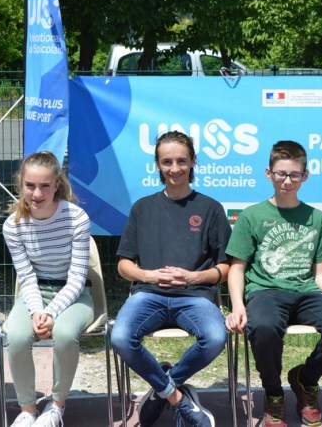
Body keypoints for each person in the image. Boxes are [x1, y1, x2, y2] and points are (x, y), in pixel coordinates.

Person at [224, 140, 322, 427]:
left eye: (294, 175)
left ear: (305, 176)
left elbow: (321, 274)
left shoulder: (316, 218)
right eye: (281, 174)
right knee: (263, 327)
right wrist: (237, 305)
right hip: (265, 292)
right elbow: (237, 268)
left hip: (306, 293)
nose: (287, 181)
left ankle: (305, 379)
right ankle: (274, 395)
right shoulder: (252, 215)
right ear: (269, 174)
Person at [110, 130, 232, 427]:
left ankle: (163, 386)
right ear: (157, 164)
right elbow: (123, 265)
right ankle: (178, 399)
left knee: (216, 337)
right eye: (167, 162)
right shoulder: (142, 207)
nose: (174, 168)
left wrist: (194, 277)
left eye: (181, 161)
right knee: (120, 337)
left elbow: (226, 267)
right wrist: (147, 274)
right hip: (147, 295)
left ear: (193, 162)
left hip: (196, 297)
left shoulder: (211, 208)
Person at [3, 151, 94, 427]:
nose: (37, 193)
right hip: (34, 294)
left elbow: (77, 277)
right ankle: (27, 410)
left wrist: (52, 312)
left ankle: (56, 406)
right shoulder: (13, 226)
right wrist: (36, 312)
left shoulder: (77, 218)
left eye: (45, 185)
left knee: (65, 335)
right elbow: (26, 276)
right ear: (21, 185)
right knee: (16, 336)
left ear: (57, 184)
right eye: (30, 185)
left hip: (75, 294)